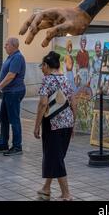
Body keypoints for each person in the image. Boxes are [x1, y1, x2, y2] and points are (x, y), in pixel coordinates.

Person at [34, 51, 76, 201]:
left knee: (56, 158)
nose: (41, 69)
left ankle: (66, 194)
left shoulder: (47, 80)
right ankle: (46, 188)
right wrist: (73, 124)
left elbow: (43, 104)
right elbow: (74, 102)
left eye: (42, 66)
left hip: (53, 124)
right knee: (56, 156)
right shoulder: (65, 79)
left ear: (46, 65)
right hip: (67, 123)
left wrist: (36, 126)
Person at [0, 37, 26, 155]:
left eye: (6, 44)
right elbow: (4, 74)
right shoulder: (10, 57)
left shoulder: (17, 57)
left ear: (13, 46)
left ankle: (17, 147)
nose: (4, 46)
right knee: (3, 118)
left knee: (14, 119)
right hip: (8, 92)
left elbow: (11, 75)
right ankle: (3, 144)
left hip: (14, 92)